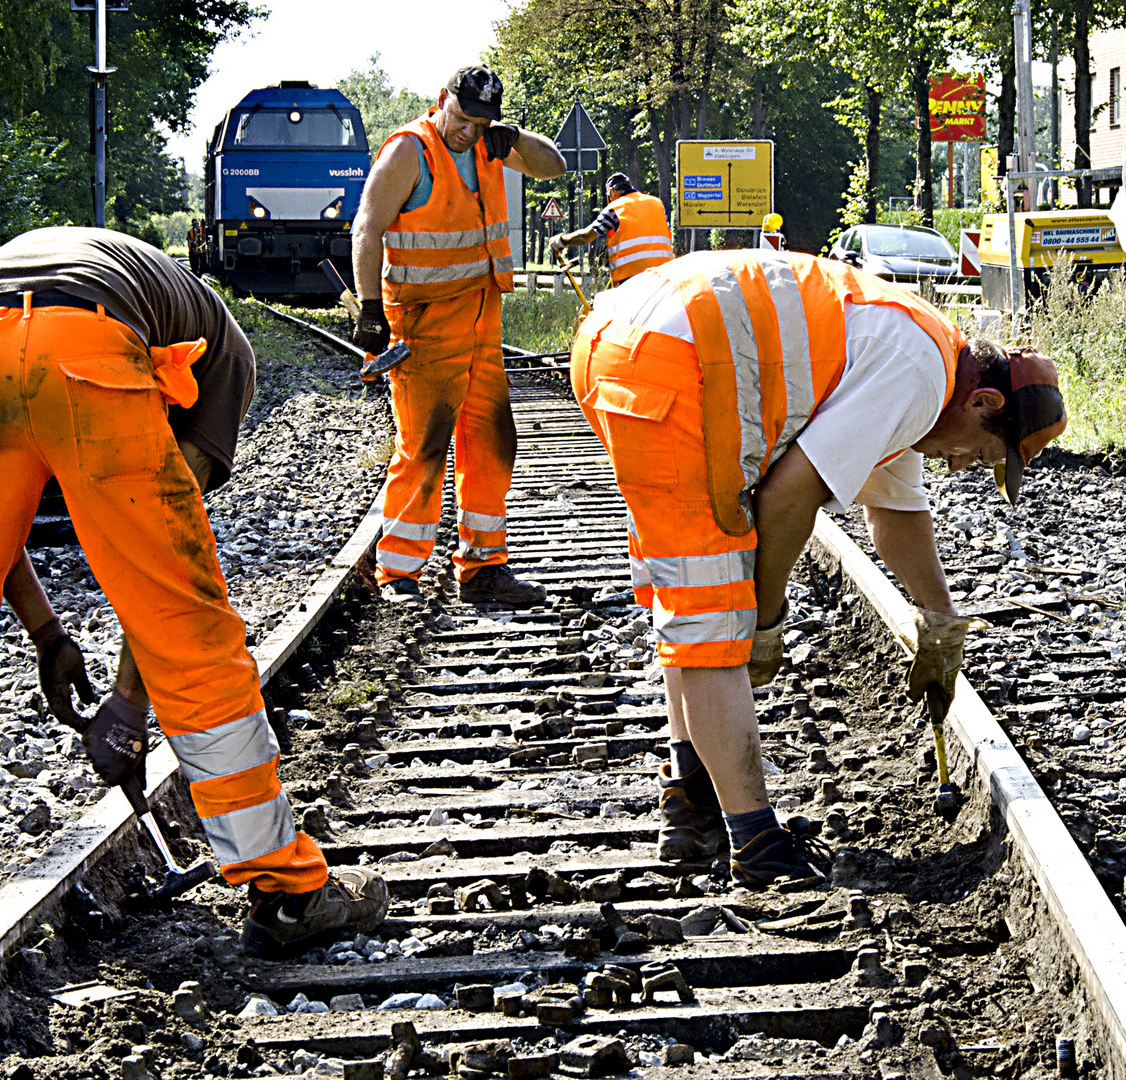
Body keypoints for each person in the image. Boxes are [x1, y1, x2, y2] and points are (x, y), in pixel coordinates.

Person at [0, 227, 387, 958]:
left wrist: (52, 636)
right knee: (188, 624)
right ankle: (285, 889)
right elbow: (160, 580)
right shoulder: (226, 357)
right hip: (86, 343)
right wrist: (128, 707)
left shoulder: (114, 291)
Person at [569, 249, 1066, 889]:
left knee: (700, 599)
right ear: (985, 402)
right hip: (677, 360)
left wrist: (940, 620)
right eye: (987, 454)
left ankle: (690, 796)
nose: (967, 466)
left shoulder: (926, 363)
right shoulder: (917, 377)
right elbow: (788, 496)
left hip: (633, 333)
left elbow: (896, 513)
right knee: (713, 622)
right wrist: (767, 613)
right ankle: (756, 844)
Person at [350, 64, 566, 607]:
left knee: (494, 442)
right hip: (423, 326)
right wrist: (371, 312)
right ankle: (399, 571)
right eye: (465, 116)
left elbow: (554, 166)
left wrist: (513, 136)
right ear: (443, 98)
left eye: (483, 120)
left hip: (481, 319)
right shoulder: (409, 152)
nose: (471, 129)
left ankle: (483, 566)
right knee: (424, 447)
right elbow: (367, 226)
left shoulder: (491, 143)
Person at [549, 173, 674, 286]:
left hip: (631, 278)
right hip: (664, 275)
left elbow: (586, 236)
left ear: (612, 191)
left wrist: (561, 240)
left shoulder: (615, 208)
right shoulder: (657, 203)